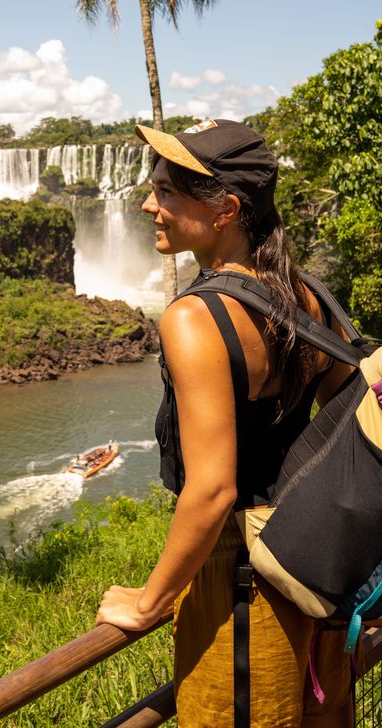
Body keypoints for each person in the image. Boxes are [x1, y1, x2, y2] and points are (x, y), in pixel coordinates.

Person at [95, 119, 357, 728]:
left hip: (244, 587)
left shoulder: (194, 318)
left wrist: (149, 602)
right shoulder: (308, 294)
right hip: (313, 570)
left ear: (226, 210)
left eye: (167, 191)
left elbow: (213, 490)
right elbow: (348, 428)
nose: (148, 203)